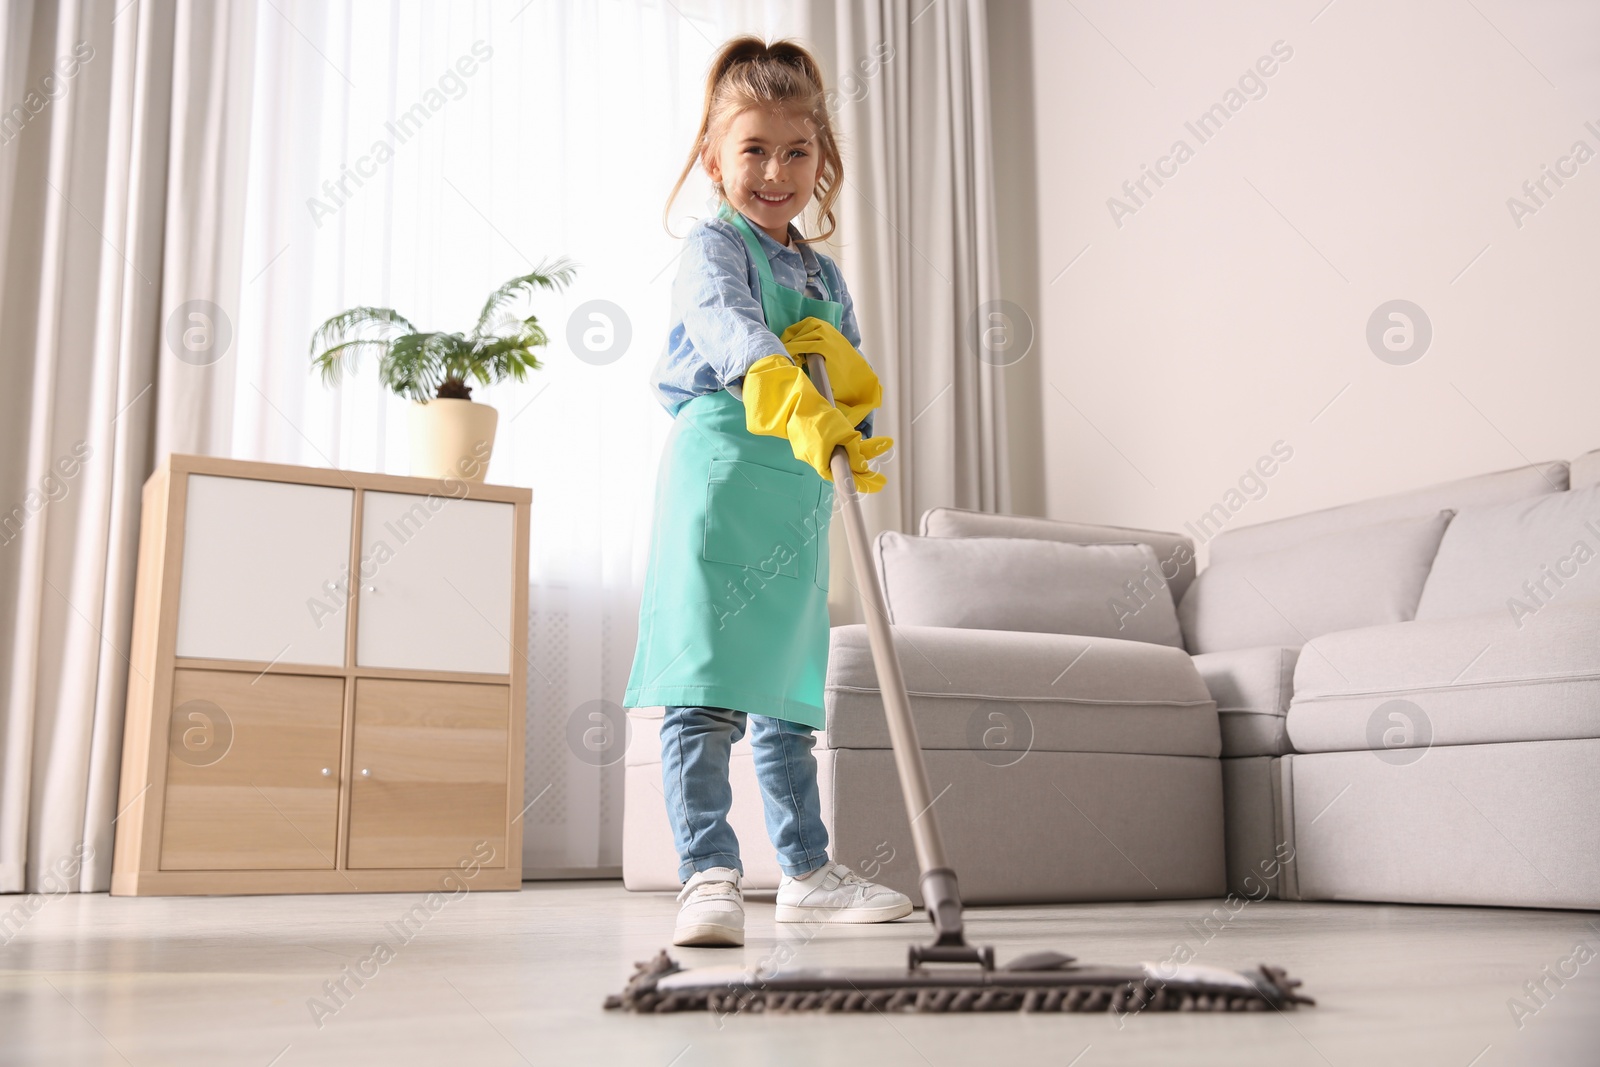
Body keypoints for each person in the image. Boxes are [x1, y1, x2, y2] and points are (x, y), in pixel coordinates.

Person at [623, 35, 910, 948]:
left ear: (822, 160)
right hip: (720, 480)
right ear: (715, 157)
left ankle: (806, 871)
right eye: (754, 149)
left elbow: (853, 375)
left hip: (795, 490)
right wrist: (796, 393)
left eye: (797, 151)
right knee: (704, 689)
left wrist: (854, 423)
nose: (776, 171)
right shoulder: (713, 247)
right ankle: (707, 872)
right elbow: (736, 337)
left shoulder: (825, 276)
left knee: (788, 696)